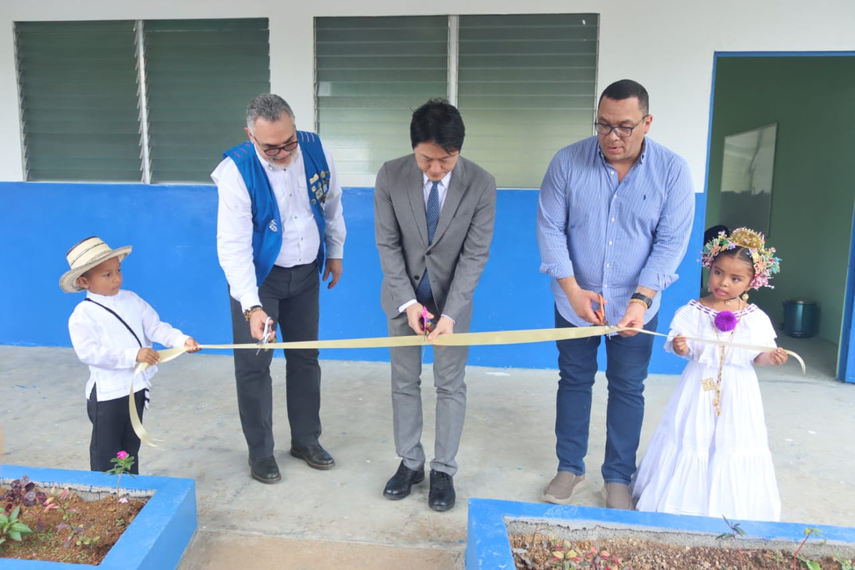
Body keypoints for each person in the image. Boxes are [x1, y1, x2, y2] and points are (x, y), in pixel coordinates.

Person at [536, 79, 695, 509]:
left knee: (627, 386)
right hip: (575, 302)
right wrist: (572, 290)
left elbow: (670, 242)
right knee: (573, 381)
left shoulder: (673, 171)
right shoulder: (567, 162)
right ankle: (569, 465)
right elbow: (550, 228)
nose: (612, 137)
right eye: (603, 125)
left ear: (647, 122)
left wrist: (640, 302)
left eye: (624, 127)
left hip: (636, 307)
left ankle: (619, 475)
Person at [212, 94, 346, 484]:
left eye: (289, 142)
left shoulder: (316, 150)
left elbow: (332, 205)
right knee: (254, 365)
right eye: (272, 147)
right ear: (250, 136)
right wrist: (252, 307)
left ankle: (306, 440)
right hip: (259, 280)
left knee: (305, 358)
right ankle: (261, 452)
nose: (284, 153)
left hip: (305, 273)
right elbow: (232, 245)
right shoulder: (236, 171)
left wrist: (334, 252)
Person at [374, 98, 496, 512]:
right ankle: (410, 462)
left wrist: (450, 315)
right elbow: (388, 245)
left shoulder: (481, 183)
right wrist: (408, 303)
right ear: (414, 149)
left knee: (450, 384)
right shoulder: (390, 176)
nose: (436, 169)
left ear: (459, 151)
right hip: (402, 299)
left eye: (447, 160)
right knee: (404, 382)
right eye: (427, 160)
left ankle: (443, 469)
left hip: (452, 304)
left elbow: (474, 256)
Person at [632, 227, 786, 521]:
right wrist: (680, 346)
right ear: (709, 268)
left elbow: (759, 354)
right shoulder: (694, 311)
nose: (723, 283)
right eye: (718, 273)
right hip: (699, 385)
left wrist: (771, 357)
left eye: (735, 278)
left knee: (734, 437)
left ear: (753, 281)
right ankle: (685, 500)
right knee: (693, 432)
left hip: (738, 388)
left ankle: (727, 504)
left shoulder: (754, 318)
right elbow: (682, 348)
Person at [62, 236, 199, 473]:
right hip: (107, 394)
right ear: (84, 281)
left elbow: (156, 327)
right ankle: (107, 495)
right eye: (107, 275)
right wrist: (133, 355)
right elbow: (89, 353)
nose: (116, 278)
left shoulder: (132, 300)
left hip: (135, 388)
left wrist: (181, 340)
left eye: (118, 270)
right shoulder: (83, 315)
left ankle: (129, 491)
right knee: (107, 450)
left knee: (130, 445)